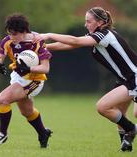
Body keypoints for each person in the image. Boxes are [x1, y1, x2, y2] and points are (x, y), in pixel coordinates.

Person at [33, 7, 137, 152]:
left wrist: (48, 34)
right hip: (125, 79)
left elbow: (74, 40)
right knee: (120, 114)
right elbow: (70, 44)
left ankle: (132, 129)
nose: (85, 24)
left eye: (88, 21)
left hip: (134, 77)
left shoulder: (104, 35)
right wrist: (43, 48)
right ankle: (126, 148)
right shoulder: (95, 35)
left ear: (100, 22)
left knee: (104, 107)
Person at [0, 13, 52, 148]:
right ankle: (43, 133)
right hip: (17, 77)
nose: (11, 37)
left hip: (34, 80)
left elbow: (45, 68)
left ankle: (2, 133)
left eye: (14, 34)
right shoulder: (7, 41)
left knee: (3, 99)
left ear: (24, 32)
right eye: (9, 33)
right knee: (27, 112)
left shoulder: (37, 41)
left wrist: (29, 68)